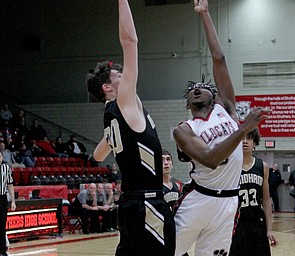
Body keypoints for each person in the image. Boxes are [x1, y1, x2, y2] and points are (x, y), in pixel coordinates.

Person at [172, 1, 270, 255]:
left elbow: (219, 58)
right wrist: (244, 127)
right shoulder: (183, 129)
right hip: (198, 199)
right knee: (164, 250)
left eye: (201, 86)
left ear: (213, 94)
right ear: (188, 103)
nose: (196, 88)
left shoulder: (225, 107)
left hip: (228, 202)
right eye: (191, 89)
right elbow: (210, 159)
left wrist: (205, 14)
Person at [86, 1, 175, 255]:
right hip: (147, 204)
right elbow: (130, 42)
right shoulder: (124, 101)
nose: (122, 73)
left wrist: (112, 140)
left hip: (129, 206)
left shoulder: (112, 117)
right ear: (107, 87)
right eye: (116, 73)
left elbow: (98, 156)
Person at [229, 128, 278, 256]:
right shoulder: (229, 167)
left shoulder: (263, 166)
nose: (245, 142)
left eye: (249, 138)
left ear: (255, 143)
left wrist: (269, 230)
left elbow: (266, 200)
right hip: (236, 224)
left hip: (257, 222)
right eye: (241, 138)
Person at [0, 151, 16, 256]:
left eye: (0, 156)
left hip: (2, 198)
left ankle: (2, 250)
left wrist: (13, 201)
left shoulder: (6, 168)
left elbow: (10, 185)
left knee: (2, 225)